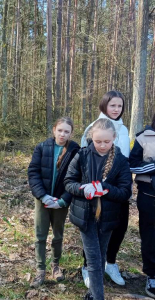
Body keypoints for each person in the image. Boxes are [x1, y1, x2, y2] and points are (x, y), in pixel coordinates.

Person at [64, 118, 132, 300]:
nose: (102, 145)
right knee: (93, 260)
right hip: (85, 216)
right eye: (98, 141)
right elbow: (68, 182)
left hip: (108, 218)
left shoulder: (121, 161)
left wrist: (106, 190)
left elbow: (126, 192)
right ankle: (98, 297)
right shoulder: (82, 155)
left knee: (101, 256)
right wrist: (82, 189)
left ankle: (92, 294)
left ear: (114, 138)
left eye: (107, 142)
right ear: (91, 138)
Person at [81, 90, 130, 287]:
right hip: (95, 187)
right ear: (104, 106)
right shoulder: (93, 127)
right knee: (92, 228)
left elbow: (124, 158)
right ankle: (88, 266)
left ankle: (110, 263)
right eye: (113, 105)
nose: (116, 109)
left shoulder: (124, 129)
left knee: (119, 226)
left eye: (119, 106)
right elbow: (85, 158)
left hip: (117, 187)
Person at [28, 117, 80, 288]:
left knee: (58, 235)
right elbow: (33, 172)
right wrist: (42, 196)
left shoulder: (75, 150)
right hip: (42, 199)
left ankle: (55, 265)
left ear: (71, 133)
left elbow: (76, 177)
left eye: (66, 131)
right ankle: (40, 269)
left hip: (60, 201)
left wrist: (64, 200)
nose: (62, 134)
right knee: (40, 235)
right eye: (60, 130)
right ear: (54, 130)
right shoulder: (42, 147)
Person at [129, 113, 155, 298]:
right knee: (150, 236)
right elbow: (132, 165)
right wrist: (152, 166)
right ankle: (152, 276)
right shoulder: (143, 137)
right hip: (149, 196)